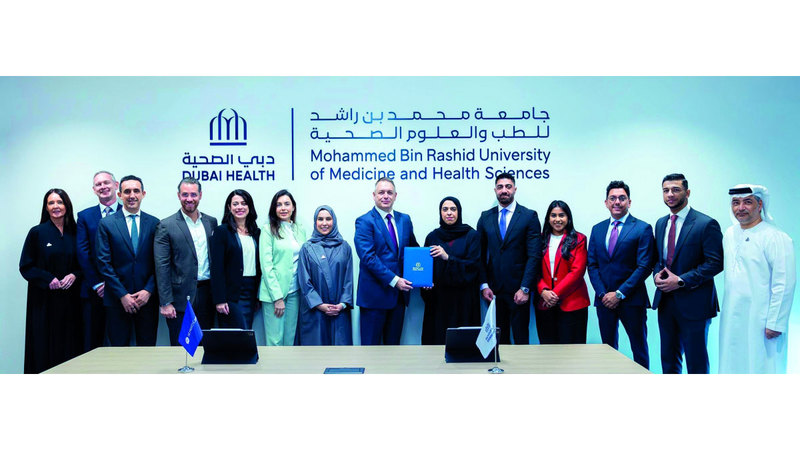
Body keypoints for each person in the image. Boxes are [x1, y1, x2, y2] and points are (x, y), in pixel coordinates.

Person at [719, 184, 796, 373]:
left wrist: (775, 322)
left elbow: (784, 283)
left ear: (760, 205)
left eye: (747, 202)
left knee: (762, 366)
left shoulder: (776, 237)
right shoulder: (730, 234)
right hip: (732, 316)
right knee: (732, 363)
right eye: (735, 203)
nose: (740, 208)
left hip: (761, 319)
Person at [653, 173, 723, 374]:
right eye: (666, 190)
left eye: (675, 189)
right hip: (666, 302)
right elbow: (659, 259)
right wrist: (656, 274)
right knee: (668, 360)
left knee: (696, 362)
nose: (670, 194)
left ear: (687, 192)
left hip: (695, 303)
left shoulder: (705, 223)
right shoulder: (661, 223)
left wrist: (681, 280)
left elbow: (716, 263)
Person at [587, 180, 655, 369]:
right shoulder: (597, 229)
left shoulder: (642, 228)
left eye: (622, 198)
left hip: (632, 300)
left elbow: (644, 266)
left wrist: (619, 294)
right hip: (604, 301)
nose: (617, 202)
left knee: (639, 348)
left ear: (629, 202)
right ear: (606, 202)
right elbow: (592, 265)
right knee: (608, 350)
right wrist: (603, 294)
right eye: (613, 198)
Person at [19, 188, 82, 373]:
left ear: (67, 205)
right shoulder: (37, 232)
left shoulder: (77, 232)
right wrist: (48, 278)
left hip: (72, 301)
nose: (56, 206)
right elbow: (26, 266)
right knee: (43, 345)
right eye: (51, 203)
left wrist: (75, 275)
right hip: (44, 302)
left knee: (71, 344)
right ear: (46, 207)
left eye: (60, 202)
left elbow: (86, 263)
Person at [476, 172, 542, 345]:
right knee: (499, 341)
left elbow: (534, 255)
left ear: (515, 189)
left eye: (508, 186)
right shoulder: (485, 217)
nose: (504, 190)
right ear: (495, 190)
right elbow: (479, 255)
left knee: (521, 340)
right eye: (500, 187)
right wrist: (484, 285)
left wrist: (525, 288)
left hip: (519, 290)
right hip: (493, 291)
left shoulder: (529, 216)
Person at [95, 175, 159, 346]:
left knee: (147, 350)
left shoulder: (154, 223)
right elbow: (103, 263)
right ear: (119, 195)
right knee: (118, 352)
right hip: (117, 300)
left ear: (143, 194)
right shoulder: (106, 224)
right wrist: (123, 295)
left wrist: (148, 290)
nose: (132, 195)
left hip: (146, 300)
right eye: (127, 191)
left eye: (136, 191)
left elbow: (159, 263)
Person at [354, 177, 419, 345]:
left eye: (389, 192)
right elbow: (368, 257)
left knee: (394, 351)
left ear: (395, 196)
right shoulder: (364, 221)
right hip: (373, 298)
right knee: (370, 351)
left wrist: (423, 277)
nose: (385, 196)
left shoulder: (405, 220)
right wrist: (395, 280)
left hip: (398, 299)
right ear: (374, 195)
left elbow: (413, 251)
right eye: (381, 192)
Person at [154, 177, 218, 346]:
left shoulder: (211, 222)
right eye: (185, 194)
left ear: (200, 195)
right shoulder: (166, 225)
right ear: (178, 195)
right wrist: (166, 302)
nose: (189, 199)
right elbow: (162, 266)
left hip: (207, 294)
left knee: (205, 347)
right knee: (181, 349)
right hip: (180, 298)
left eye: (193, 194)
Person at [420, 196, 480, 345]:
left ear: (459, 212)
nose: (449, 213)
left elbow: (474, 267)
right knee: (436, 343)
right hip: (438, 301)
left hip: (464, 301)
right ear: (440, 212)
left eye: (453, 209)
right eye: (445, 209)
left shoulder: (471, 235)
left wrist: (448, 257)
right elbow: (426, 267)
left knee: (463, 346)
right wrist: (425, 283)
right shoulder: (432, 237)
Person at [76, 170, 120, 352]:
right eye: (98, 184)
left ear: (116, 185)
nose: (103, 187)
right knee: (92, 343)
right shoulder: (84, 216)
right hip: (95, 291)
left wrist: (115, 284)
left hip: (122, 290)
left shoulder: (128, 212)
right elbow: (83, 252)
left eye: (106, 182)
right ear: (94, 190)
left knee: (121, 344)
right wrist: (98, 283)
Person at [535, 200, 591, 344]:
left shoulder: (579, 239)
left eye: (562, 215)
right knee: (548, 349)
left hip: (572, 303)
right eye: (553, 215)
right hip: (545, 303)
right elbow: (533, 269)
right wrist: (543, 291)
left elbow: (577, 271)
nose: (558, 219)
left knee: (573, 351)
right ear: (548, 218)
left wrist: (555, 294)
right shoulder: (539, 239)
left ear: (568, 218)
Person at [297, 206, 354, 345]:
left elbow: (349, 280)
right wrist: (319, 305)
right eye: (320, 219)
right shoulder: (307, 248)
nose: (324, 223)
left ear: (334, 221)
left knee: (340, 353)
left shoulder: (345, 247)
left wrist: (342, 304)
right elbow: (304, 281)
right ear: (315, 222)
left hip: (339, 310)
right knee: (316, 353)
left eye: (328, 219)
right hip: (315, 310)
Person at [259, 189, 306, 346]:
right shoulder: (268, 230)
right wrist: (277, 297)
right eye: (279, 205)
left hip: (294, 292)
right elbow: (266, 266)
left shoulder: (300, 229)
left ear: (293, 207)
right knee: (275, 342)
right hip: (274, 295)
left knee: (289, 340)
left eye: (287, 204)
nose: (283, 208)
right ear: (274, 208)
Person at [210, 189, 261, 330]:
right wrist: (219, 299)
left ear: (249, 207)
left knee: (247, 331)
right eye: (235, 204)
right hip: (231, 294)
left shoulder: (256, 233)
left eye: (244, 203)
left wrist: (258, 296)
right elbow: (216, 268)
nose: (239, 207)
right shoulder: (222, 232)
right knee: (236, 333)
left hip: (251, 291)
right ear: (229, 207)